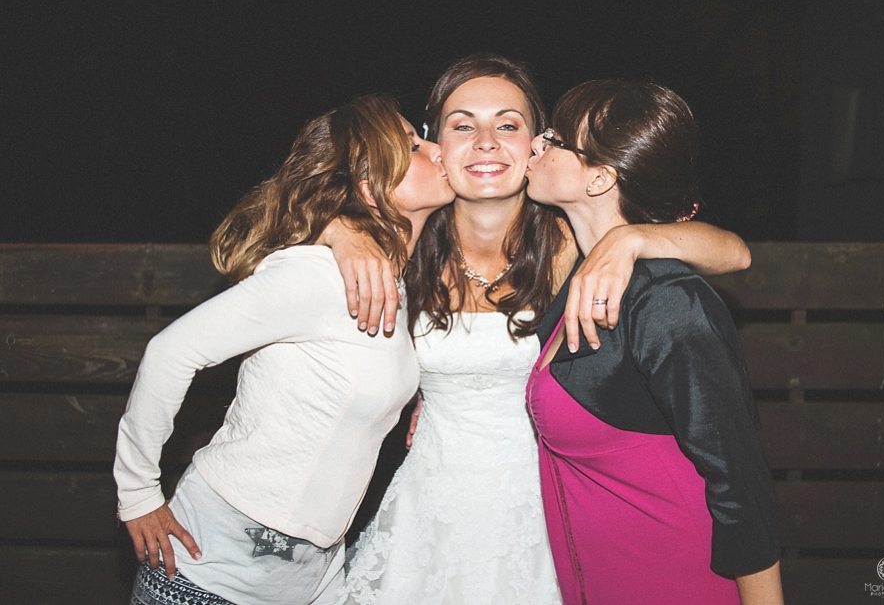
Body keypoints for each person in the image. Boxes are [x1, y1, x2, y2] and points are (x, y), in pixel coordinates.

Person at [326, 55, 753, 604]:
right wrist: (341, 233)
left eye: (507, 125)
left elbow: (735, 253)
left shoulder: (569, 242)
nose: (485, 141)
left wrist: (635, 239)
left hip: (549, 508)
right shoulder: (403, 242)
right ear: (435, 145)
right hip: (429, 508)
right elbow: (278, 234)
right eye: (463, 125)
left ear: (536, 146)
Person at [113, 94, 455, 605]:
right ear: (370, 183)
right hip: (207, 572)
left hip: (310, 579)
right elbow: (169, 352)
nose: (437, 149)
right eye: (413, 145)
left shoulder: (395, 284)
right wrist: (137, 492)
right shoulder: (318, 275)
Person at [525, 79, 783, 604]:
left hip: (673, 577)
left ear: (598, 177)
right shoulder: (573, 268)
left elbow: (739, 480)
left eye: (552, 138)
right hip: (602, 582)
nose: (536, 144)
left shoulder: (667, 301)